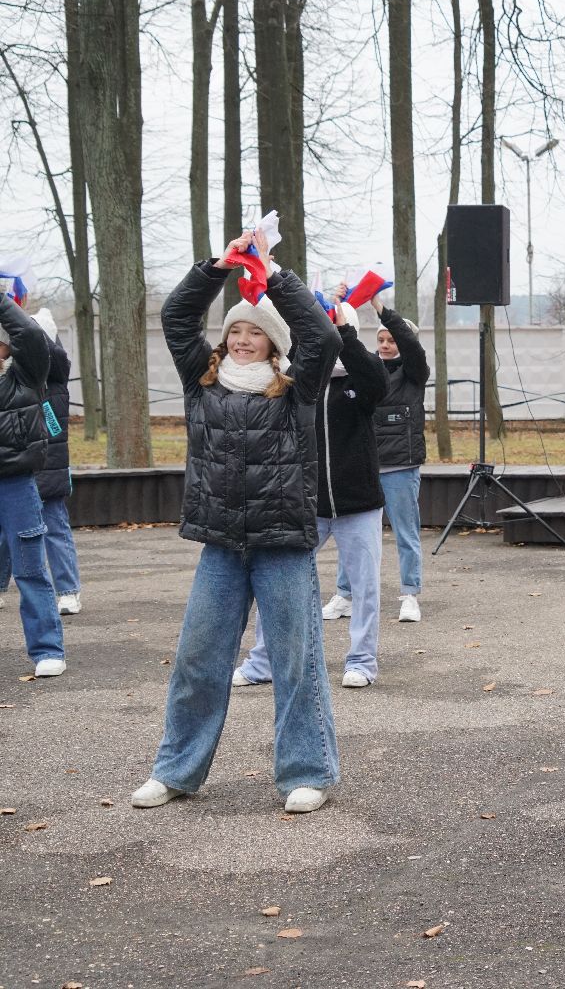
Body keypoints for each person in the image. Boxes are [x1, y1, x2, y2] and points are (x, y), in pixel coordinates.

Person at [133, 236, 341, 814]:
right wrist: (219, 267)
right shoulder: (202, 382)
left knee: (296, 663)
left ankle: (307, 773)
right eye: (234, 331)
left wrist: (272, 273)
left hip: (283, 545)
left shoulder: (298, 388)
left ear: (273, 342)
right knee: (198, 660)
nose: (242, 340)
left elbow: (321, 334)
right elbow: (176, 315)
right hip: (221, 546)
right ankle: (176, 770)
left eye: (254, 332)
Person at [235, 299, 388, 689]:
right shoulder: (297, 379)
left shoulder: (359, 380)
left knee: (366, 587)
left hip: (360, 504)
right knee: (278, 581)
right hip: (304, 504)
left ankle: (362, 662)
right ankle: (262, 663)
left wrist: (346, 333)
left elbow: (377, 381)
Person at [330, 294, 429, 624]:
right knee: (352, 534)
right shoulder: (367, 371)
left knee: (405, 532)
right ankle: (345, 594)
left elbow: (411, 347)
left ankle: (409, 594)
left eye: (392, 339)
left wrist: (384, 312)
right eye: (381, 339)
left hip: (400, 465)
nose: (386, 345)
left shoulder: (414, 373)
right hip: (366, 464)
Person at [0, 307, 82, 618]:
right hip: (21, 465)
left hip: (50, 465)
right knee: (8, 535)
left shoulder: (52, 371)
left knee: (54, 528)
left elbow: (44, 350)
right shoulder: (18, 376)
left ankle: (68, 590)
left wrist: (29, 330)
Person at [0, 291, 65, 677]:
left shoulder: (25, 375)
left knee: (29, 569)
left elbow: (29, 333)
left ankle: (46, 650)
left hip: (16, 484)